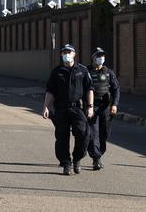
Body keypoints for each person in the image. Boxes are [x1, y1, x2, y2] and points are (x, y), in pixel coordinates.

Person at [42, 44, 94, 175]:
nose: (66, 54)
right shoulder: (57, 72)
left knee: (83, 134)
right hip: (61, 109)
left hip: (78, 109)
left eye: (69, 52)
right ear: (61, 55)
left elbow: (89, 89)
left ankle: (77, 159)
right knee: (61, 137)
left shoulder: (82, 70)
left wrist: (90, 106)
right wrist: (46, 106)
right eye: (64, 52)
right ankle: (66, 163)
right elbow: (50, 91)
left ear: (74, 54)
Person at [86, 47, 120, 170]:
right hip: (92, 106)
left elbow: (116, 89)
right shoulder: (87, 71)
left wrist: (114, 104)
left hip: (106, 107)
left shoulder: (109, 72)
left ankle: (99, 153)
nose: (101, 58)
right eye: (98, 55)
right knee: (93, 133)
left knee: (104, 133)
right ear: (93, 58)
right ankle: (96, 158)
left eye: (103, 55)